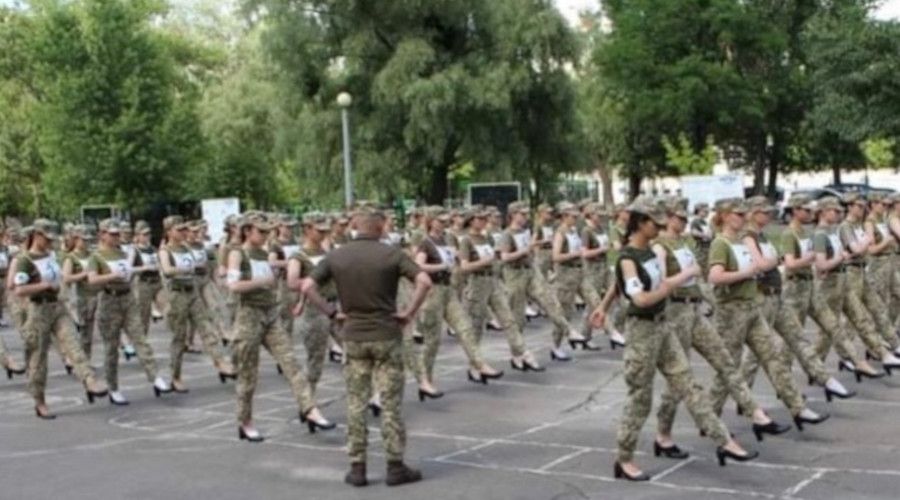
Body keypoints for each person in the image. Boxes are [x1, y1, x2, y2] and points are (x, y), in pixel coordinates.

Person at [589, 198, 757, 481]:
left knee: (688, 384)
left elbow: (618, 285)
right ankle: (624, 458)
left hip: (662, 327)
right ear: (641, 223)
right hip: (642, 332)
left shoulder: (648, 253)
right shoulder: (629, 258)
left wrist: (603, 307)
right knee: (640, 399)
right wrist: (673, 283)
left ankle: (724, 441)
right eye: (656, 224)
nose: (661, 228)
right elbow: (640, 298)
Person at [301, 206, 432, 487]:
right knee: (390, 402)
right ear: (379, 227)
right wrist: (408, 313)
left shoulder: (336, 255)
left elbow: (307, 287)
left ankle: (357, 466)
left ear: (355, 227)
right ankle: (395, 465)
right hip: (386, 333)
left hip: (354, 336)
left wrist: (331, 312)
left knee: (356, 402)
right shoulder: (392, 254)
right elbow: (424, 280)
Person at [651, 197, 789, 452]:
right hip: (675, 312)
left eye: (684, 218)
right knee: (677, 380)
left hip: (694, 310)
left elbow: (701, 279)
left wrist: (707, 298)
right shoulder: (660, 247)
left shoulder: (683, 243)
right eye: (678, 217)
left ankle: (756, 414)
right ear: (666, 218)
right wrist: (688, 274)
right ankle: (663, 434)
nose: (682, 222)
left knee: (725, 361)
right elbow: (662, 284)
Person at [706, 198, 829, 430]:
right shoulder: (721, 243)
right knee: (728, 366)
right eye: (737, 214)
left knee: (773, 357)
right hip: (731, 311)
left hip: (751, 306)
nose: (742, 218)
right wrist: (747, 272)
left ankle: (797, 407)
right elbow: (714, 277)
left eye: (744, 215)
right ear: (724, 216)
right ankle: (710, 416)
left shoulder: (740, 242)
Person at [226, 213, 334, 442]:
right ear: (247, 230)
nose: (266, 235)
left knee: (291, 363)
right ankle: (245, 422)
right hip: (248, 316)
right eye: (261, 231)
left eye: (267, 231)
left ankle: (310, 410)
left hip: (271, 314)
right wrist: (263, 282)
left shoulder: (265, 253)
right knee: (248, 374)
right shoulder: (238, 253)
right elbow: (233, 285)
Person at [739, 196, 855, 402]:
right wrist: (781, 260)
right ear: (752, 214)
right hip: (763, 297)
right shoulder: (750, 237)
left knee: (797, 339)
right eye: (765, 212)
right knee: (758, 353)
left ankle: (823, 380)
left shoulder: (763, 236)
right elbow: (764, 265)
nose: (769, 216)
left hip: (778, 295)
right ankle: (744, 395)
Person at [14, 220, 107, 418]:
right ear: (37, 236)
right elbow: (19, 289)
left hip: (57, 307)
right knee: (38, 359)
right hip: (38, 310)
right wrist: (44, 286)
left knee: (73, 344)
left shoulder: (52, 255)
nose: (50, 242)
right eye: (47, 239)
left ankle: (89, 380)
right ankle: (40, 401)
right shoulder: (25, 260)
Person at [414, 207, 503, 391]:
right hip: (434, 292)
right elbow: (418, 265)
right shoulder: (426, 242)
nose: (444, 223)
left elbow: (456, 257)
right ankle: (425, 380)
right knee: (432, 340)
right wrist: (440, 265)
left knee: (465, 327)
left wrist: (455, 257)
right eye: (440, 220)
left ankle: (479, 364)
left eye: (446, 220)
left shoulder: (446, 239)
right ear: (431, 221)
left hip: (449, 289)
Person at [87, 219, 172, 404]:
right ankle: (113, 387)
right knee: (111, 349)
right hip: (109, 300)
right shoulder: (97, 256)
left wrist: (138, 270)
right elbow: (92, 280)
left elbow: (130, 270)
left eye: (118, 234)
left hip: (127, 298)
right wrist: (112, 276)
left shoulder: (123, 253)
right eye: (112, 234)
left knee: (140, 338)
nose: (117, 237)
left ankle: (155, 376)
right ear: (102, 235)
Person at [816, 196, 900, 370]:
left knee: (874, 309)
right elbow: (858, 249)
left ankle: (889, 346)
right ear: (851, 207)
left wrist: (864, 244)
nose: (863, 210)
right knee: (848, 320)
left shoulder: (856, 226)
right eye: (859, 206)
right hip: (850, 273)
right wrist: (867, 242)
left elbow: (863, 248)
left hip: (861, 270)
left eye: (863, 206)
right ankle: (836, 359)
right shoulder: (844, 227)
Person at [458, 207, 543, 372]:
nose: (484, 221)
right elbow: (464, 267)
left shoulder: (487, 237)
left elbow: (498, 257)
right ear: (471, 221)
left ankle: (524, 353)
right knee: (476, 327)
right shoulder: (466, 240)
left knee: (509, 320)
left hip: (493, 281)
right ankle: (475, 365)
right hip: (477, 283)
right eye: (480, 218)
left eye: (485, 218)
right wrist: (484, 261)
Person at [159, 215, 235, 393]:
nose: (184, 233)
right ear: (169, 232)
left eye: (184, 229)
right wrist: (185, 269)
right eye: (179, 230)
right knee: (178, 338)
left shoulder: (186, 247)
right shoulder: (165, 251)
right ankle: (175, 376)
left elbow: (202, 262)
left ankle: (221, 362)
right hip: (177, 295)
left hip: (192, 292)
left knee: (207, 327)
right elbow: (167, 270)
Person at [500, 202, 578, 361]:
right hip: (514, 275)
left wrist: (533, 249)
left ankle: (569, 330)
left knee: (548, 301)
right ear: (513, 214)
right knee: (517, 317)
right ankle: (517, 354)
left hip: (530, 271)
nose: (525, 217)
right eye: (522, 214)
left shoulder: (524, 231)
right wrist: (525, 250)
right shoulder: (507, 234)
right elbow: (505, 257)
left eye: (526, 214)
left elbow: (529, 249)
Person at [286, 212, 336, 401]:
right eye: (318, 230)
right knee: (316, 359)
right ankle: (307, 400)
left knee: (353, 347)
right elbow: (292, 282)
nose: (322, 234)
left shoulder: (325, 252)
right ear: (307, 229)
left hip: (334, 305)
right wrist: (307, 291)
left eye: (325, 230)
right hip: (315, 311)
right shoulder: (298, 256)